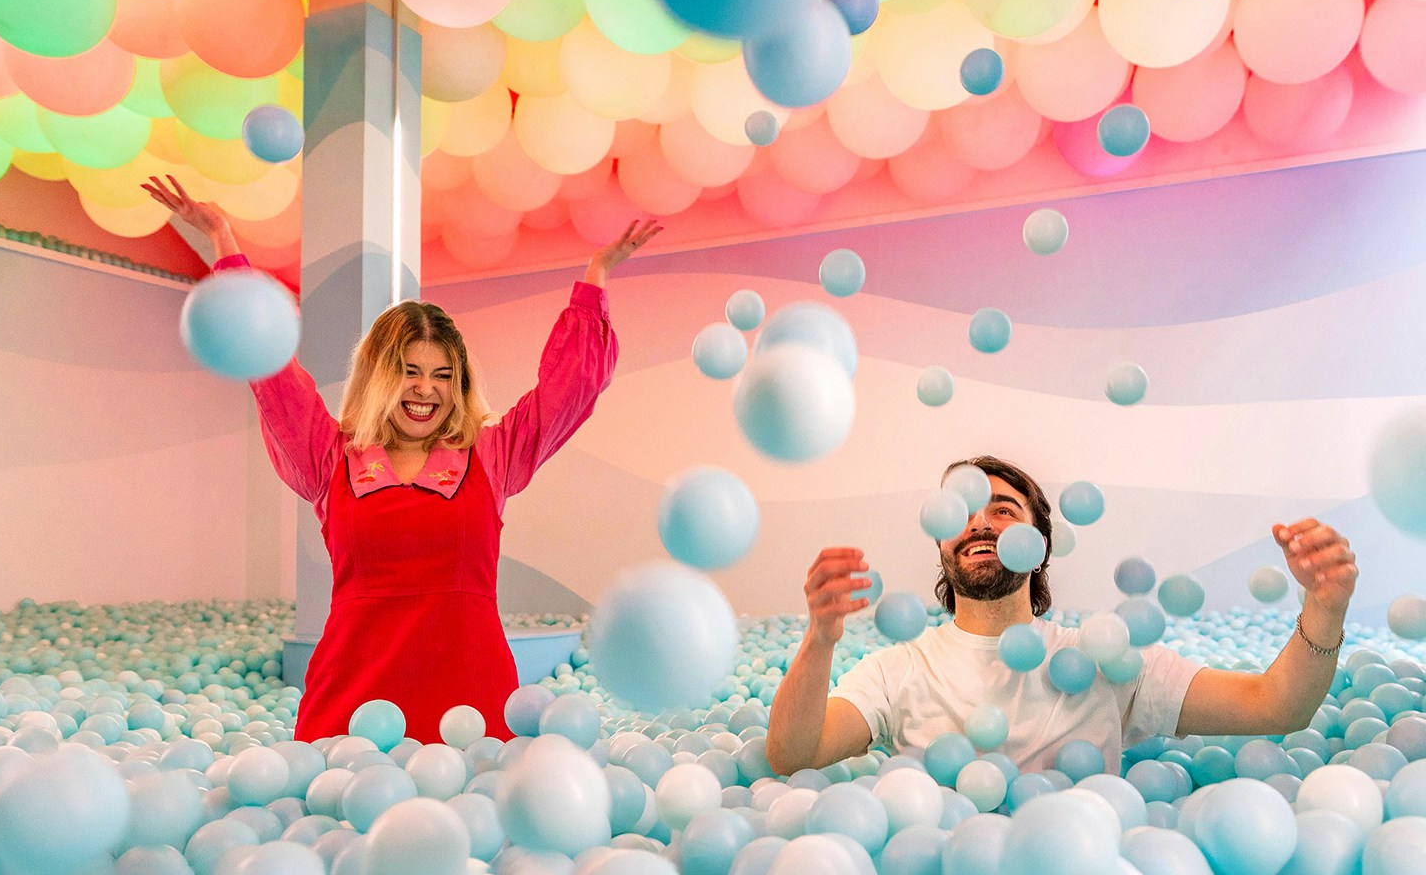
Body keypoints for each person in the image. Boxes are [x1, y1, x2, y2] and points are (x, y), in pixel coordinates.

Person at [144, 175, 662, 743]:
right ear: (379, 377)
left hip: (471, 699)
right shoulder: (330, 454)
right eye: (409, 371)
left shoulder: (492, 453)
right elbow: (273, 377)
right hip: (353, 697)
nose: (426, 390)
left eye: (443, 375)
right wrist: (224, 241)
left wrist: (595, 279)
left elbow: (568, 391)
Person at [767, 455, 1358, 776]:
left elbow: (1277, 705)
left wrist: (1324, 605)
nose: (979, 523)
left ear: (1039, 543)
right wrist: (819, 639)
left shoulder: (1105, 657)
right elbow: (794, 755)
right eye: (963, 513)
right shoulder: (897, 669)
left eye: (1002, 509)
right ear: (942, 544)